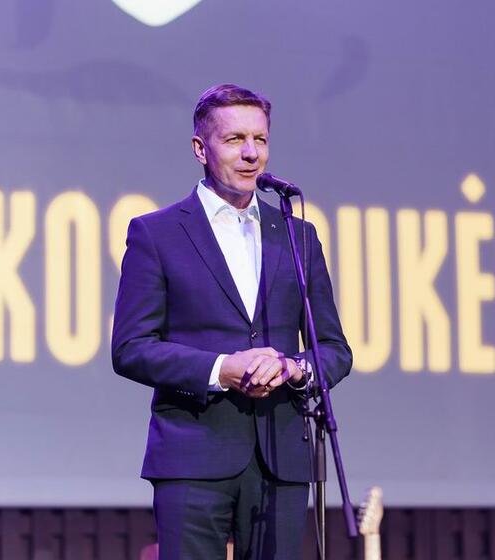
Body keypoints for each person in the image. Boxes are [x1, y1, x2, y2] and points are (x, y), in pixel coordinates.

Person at [112, 83, 352, 559]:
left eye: (260, 139)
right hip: (193, 455)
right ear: (200, 149)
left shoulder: (298, 236)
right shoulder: (157, 233)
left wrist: (293, 368)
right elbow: (131, 348)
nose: (251, 154)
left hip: (281, 456)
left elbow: (334, 349)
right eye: (234, 139)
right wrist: (223, 369)